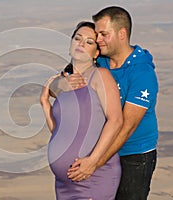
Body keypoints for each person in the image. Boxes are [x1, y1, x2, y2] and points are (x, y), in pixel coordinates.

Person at [68, 6, 159, 200]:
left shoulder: (142, 73)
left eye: (103, 34)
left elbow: (126, 126)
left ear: (122, 34)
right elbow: (66, 76)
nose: (98, 40)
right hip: (99, 152)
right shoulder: (100, 61)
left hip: (133, 156)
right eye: (97, 34)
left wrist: (95, 162)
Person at [40, 21, 123, 200]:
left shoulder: (100, 75)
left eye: (89, 42)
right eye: (77, 38)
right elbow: (60, 132)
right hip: (64, 184)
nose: (81, 44)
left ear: (97, 52)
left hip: (92, 177)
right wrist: (45, 103)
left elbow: (116, 120)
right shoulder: (65, 83)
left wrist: (93, 162)